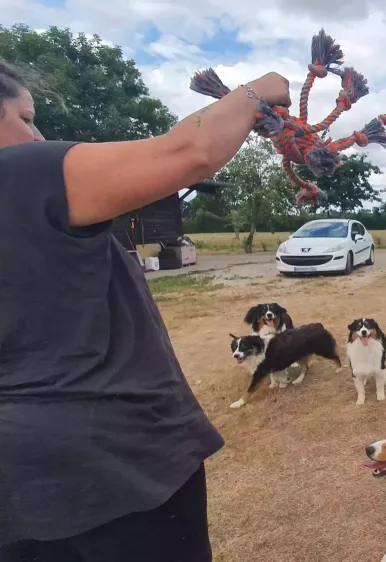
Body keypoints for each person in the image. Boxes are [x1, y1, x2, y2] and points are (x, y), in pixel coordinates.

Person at [0, 60, 292, 561]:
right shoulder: (19, 172)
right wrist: (262, 91)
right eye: (26, 117)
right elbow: (190, 151)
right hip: (117, 457)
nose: (38, 133)